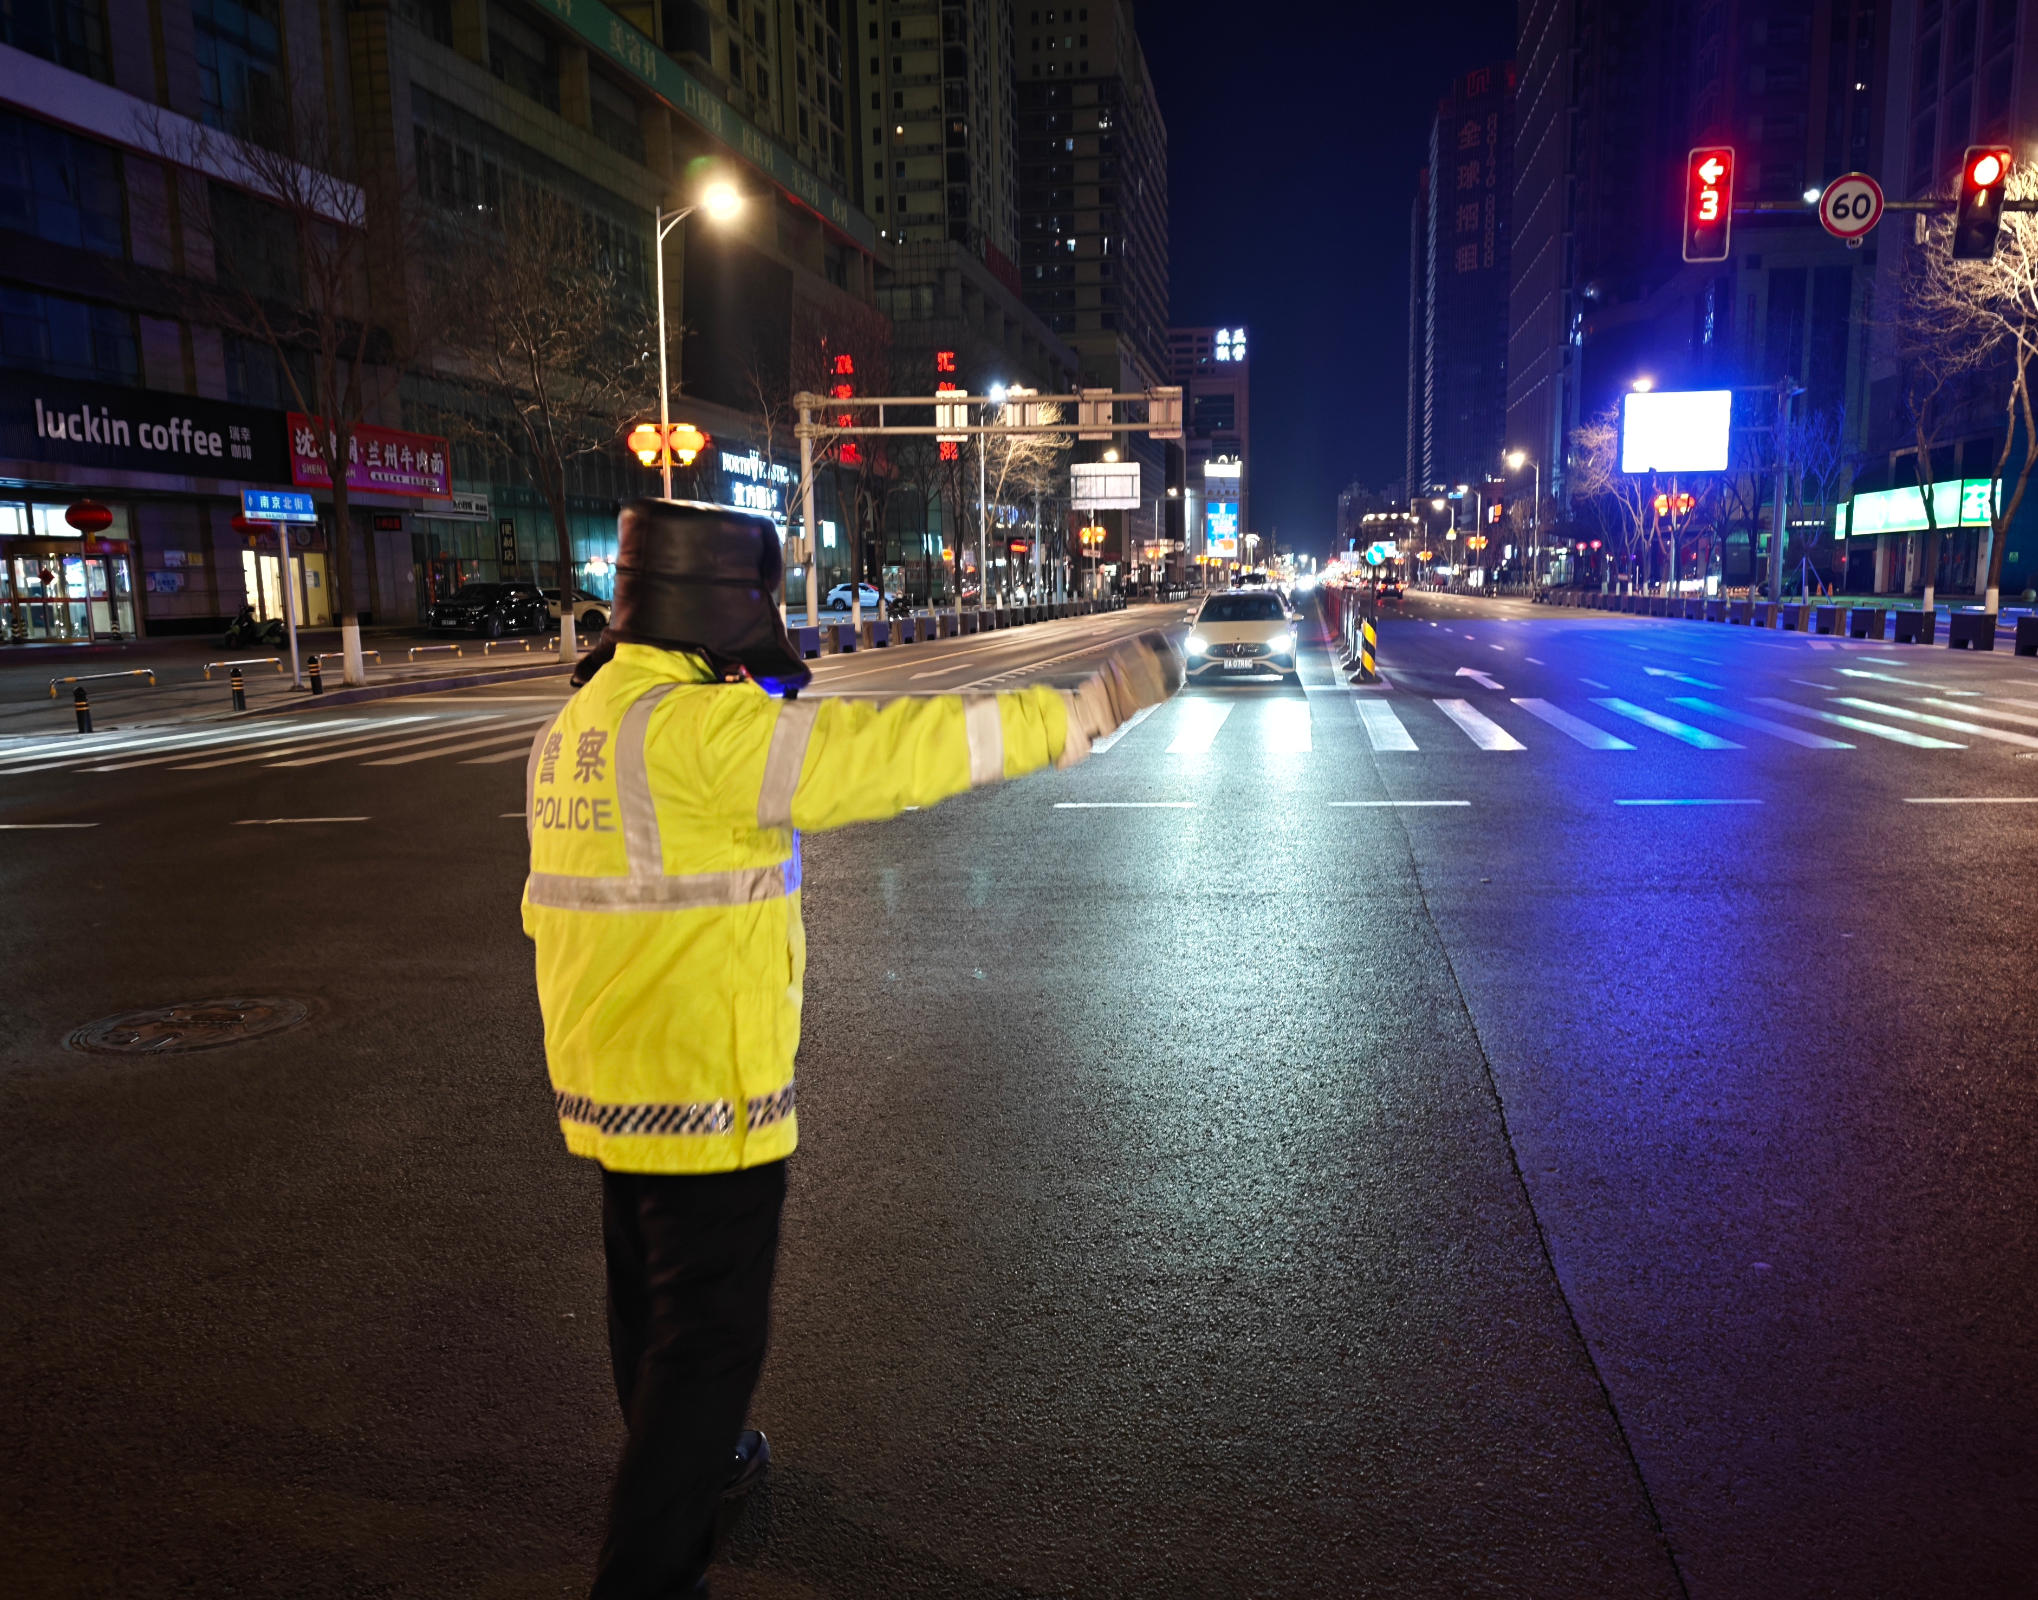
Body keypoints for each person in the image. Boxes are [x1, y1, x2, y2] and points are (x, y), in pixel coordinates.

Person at [522, 499, 1181, 1599]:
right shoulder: (701, 732)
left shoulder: (580, 727)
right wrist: (1086, 710)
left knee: (646, 1302)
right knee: (707, 1343)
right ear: (714, 612)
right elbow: (889, 751)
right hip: (703, 1085)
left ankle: (705, 1459)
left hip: (608, 1076)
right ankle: (647, 1563)